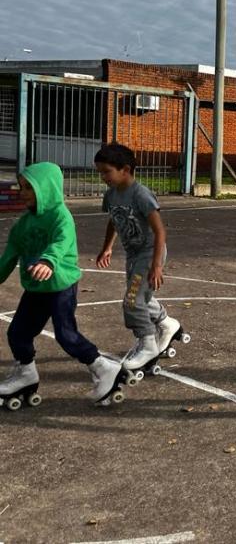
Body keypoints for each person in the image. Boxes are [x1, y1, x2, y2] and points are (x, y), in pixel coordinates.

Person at [0, 162, 123, 406]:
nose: (22, 192)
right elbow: (7, 259)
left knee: (66, 335)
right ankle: (26, 374)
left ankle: (103, 367)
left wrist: (48, 261)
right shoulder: (21, 226)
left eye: (28, 188)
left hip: (60, 286)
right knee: (17, 333)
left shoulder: (60, 216)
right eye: (21, 187)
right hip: (36, 289)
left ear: (46, 189)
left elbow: (61, 242)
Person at [94, 144, 185, 374]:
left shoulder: (141, 194)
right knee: (139, 296)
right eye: (100, 172)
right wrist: (107, 247)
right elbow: (113, 220)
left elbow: (160, 231)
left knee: (132, 301)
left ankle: (148, 344)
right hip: (133, 254)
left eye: (106, 171)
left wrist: (156, 266)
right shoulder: (111, 194)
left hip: (150, 252)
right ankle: (167, 324)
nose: (103, 177)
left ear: (125, 169)